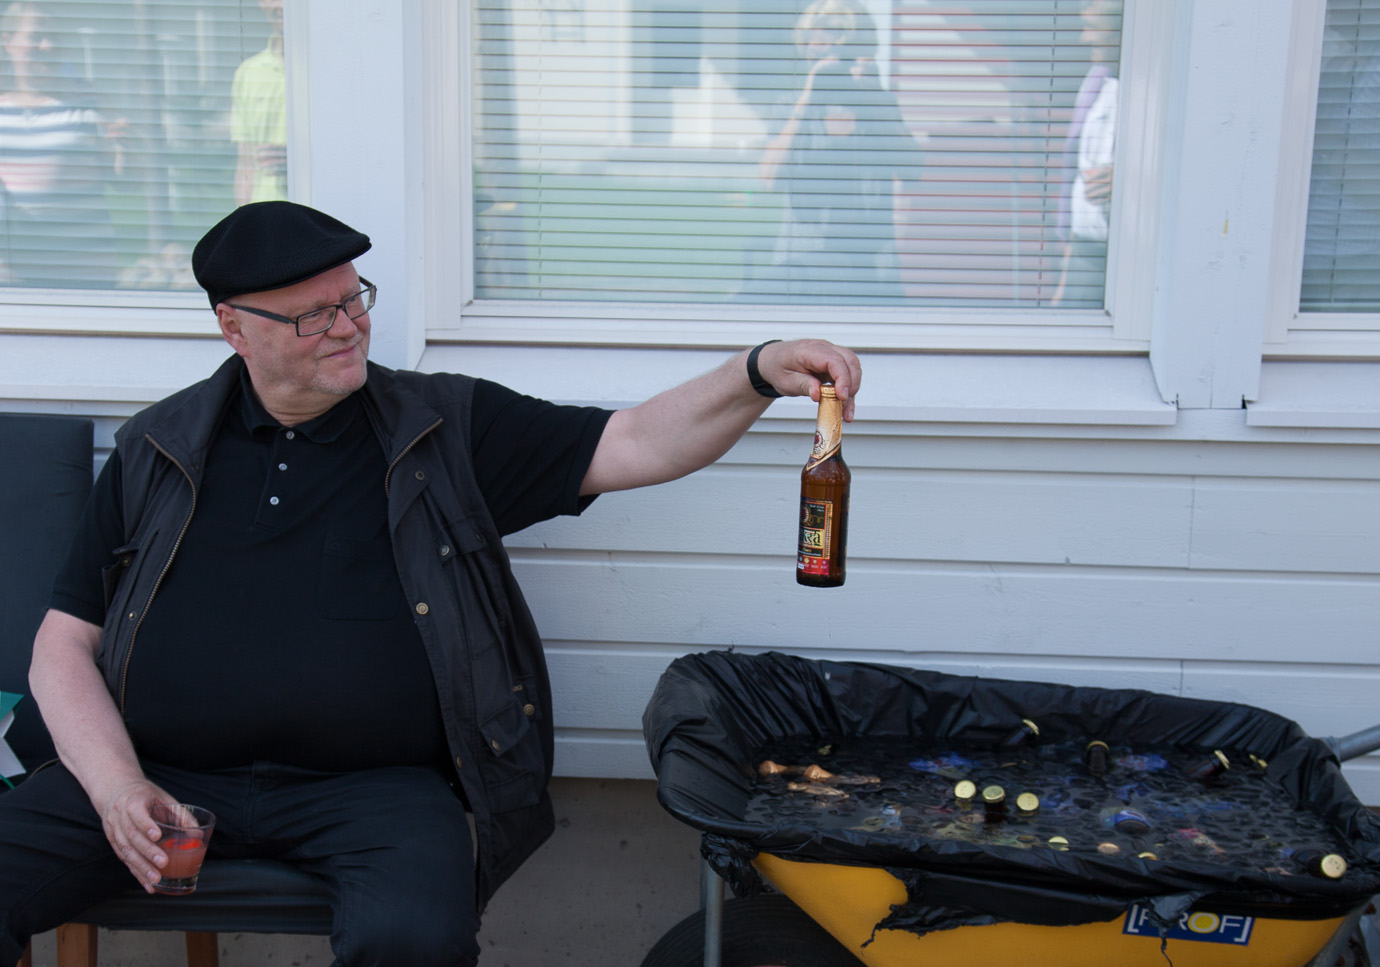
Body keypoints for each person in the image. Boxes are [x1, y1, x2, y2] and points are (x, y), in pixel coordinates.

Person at [0, 201, 861, 967]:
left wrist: (756, 370)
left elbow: (635, 441)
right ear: (235, 328)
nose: (348, 327)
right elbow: (63, 642)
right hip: (158, 774)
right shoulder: (157, 446)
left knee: (414, 938)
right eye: (314, 314)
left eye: (354, 299)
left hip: (372, 790)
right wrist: (116, 787)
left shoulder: (444, 427)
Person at [753, 0, 921, 304]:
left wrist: (874, 97)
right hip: (804, 270)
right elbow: (769, 179)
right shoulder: (792, 107)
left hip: (872, 272)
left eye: (829, 47)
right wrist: (807, 98)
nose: (815, 52)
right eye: (811, 45)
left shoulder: (878, 106)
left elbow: (913, 171)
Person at [0, 1, 119, 287]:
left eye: (54, 37)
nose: (48, 46)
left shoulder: (88, 105)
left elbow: (128, 180)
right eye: (36, 36)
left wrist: (125, 143)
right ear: (7, 42)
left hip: (88, 274)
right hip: (19, 280)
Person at [1053, 0, 1119, 307]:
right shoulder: (1097, 83)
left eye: (1093, 27)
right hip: (1084, 253)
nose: (1084, 38)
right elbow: (1076, 175)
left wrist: (1129, 183)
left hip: (1122, 255)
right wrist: (1065, 279)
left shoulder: (1152, 89)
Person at [231, 0, 287, 205]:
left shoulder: (325, 69)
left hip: (315, 216)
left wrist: (300, 161)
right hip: (263, 213)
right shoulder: (248, 73)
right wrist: (244, 219)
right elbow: (245, 164)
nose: (282, 5)